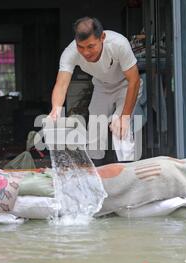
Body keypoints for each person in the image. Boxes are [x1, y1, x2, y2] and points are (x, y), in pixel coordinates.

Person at [49, 17, 142, 165]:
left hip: (126, 85)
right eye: (81, 47)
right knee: (95, 129)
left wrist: (124, 116)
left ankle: (127, 171)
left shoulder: (118, 44)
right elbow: (61, 84)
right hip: (102, 86)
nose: (85, 52)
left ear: (102, 37)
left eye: (91, 46)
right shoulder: (70, 52)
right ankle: (97, 171)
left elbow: (134, 80)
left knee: (120, 126)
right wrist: (56, 109)